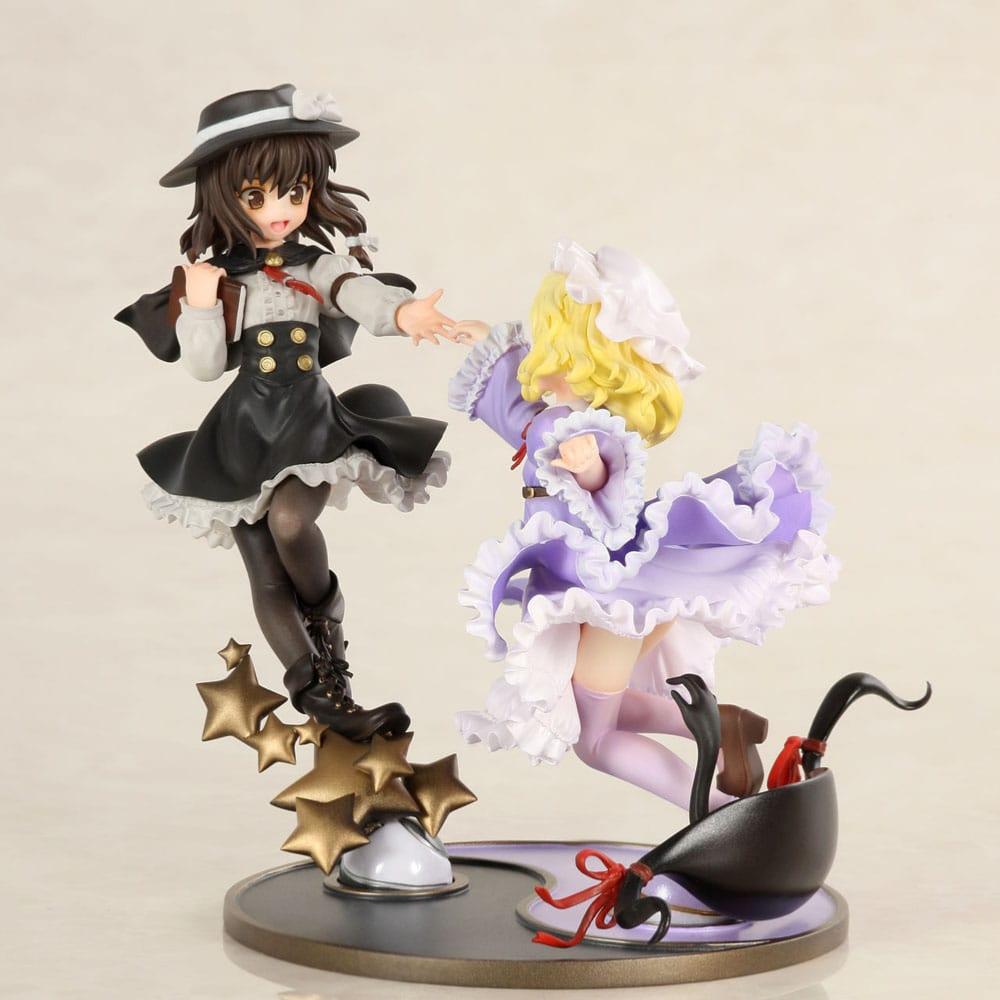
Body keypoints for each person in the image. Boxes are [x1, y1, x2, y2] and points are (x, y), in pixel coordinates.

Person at [117, 84, 457, 741]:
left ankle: (327, 620)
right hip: (241, 434)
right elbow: (205, 367)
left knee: (292, 522)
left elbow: (356, 294)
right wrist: (199, 305)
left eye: (294, 192)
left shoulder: (318, 266)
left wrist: (403, 314)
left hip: (309, 424)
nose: (280, 210)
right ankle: (324, 695)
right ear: (224, 197)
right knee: (265, 570)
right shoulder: (215, 278)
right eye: (257, 196)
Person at [448, 241, 838, 808]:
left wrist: (588, 469)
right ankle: (723, 725)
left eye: (552, 341)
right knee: (591, 709)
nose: (541, 355)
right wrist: (491, 342)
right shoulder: (555, 418)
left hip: (611, 601)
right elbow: (517, 418)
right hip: (592, 593)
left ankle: (715, 812)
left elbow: (610, 483)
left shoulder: (594, 431)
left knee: (597, 741)